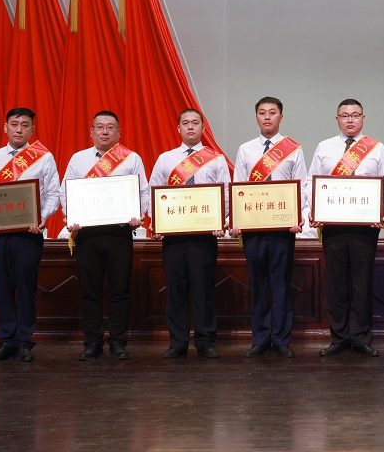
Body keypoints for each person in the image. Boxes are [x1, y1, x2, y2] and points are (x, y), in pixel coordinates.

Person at [0, 107, 60, 363]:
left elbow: (53, 194)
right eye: (15, 124)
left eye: (25, 125)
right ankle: (5, 340)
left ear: (32, 129)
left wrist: (42, 218)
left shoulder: (44, 158)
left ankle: (24, 341)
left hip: (29, 234)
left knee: (26, 288)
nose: (19, 129)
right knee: (2, 287)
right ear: (5, 127)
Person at [60, 111, 150, 361]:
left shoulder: (131, 158)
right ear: (91, 132)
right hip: (87, 234)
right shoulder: (78, 159)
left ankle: (118, 342)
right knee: (89, 291)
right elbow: (65, 192)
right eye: (99, 127)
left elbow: (144, 192)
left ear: (119, 133)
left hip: (119, 233)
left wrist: (137, 214)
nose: (105, 131)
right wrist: (72, 215)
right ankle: (92, 342)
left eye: (110, 127)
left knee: (120, 290)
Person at [307, 99, 384, 357]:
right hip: (333, 227)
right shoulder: (324, 147)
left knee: (362, 283)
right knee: (336, 284)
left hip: (365, 227)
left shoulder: (376, 148)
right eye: (345, 116)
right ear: (337, 120)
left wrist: (380, 210)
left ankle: (361, 337)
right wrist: (315, 210)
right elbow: (311, 182)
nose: (350, 120)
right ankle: (339, 338)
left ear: (363, 118)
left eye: (355, 115)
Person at [148, 109, 231, 359]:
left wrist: (221, 220)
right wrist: (156, 223)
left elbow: (226, 194)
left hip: (204, 236)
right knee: (176, 290)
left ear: (203, 128)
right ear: (178, 129)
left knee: (203, 290)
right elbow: (153, 193)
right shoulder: (166, 159)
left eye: (195, 123)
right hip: (173, 236)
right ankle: (178, 342)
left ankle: (206, 341)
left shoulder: (216, 159)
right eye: (186, 123)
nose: (191, 127)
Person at [230, 97, 306, 359]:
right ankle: (260, 338)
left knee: (281, 284)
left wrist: (298, 216)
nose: (267, 117)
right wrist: (236, 220)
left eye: (272, 113)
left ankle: (281, 339)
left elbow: (301, 186)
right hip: (253, 229)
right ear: (256, 118)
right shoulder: (245, 150)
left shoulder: (293, 149)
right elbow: (239, 185)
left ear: (281, 117)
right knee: (259, 284)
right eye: (262, 113)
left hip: (283, 229)